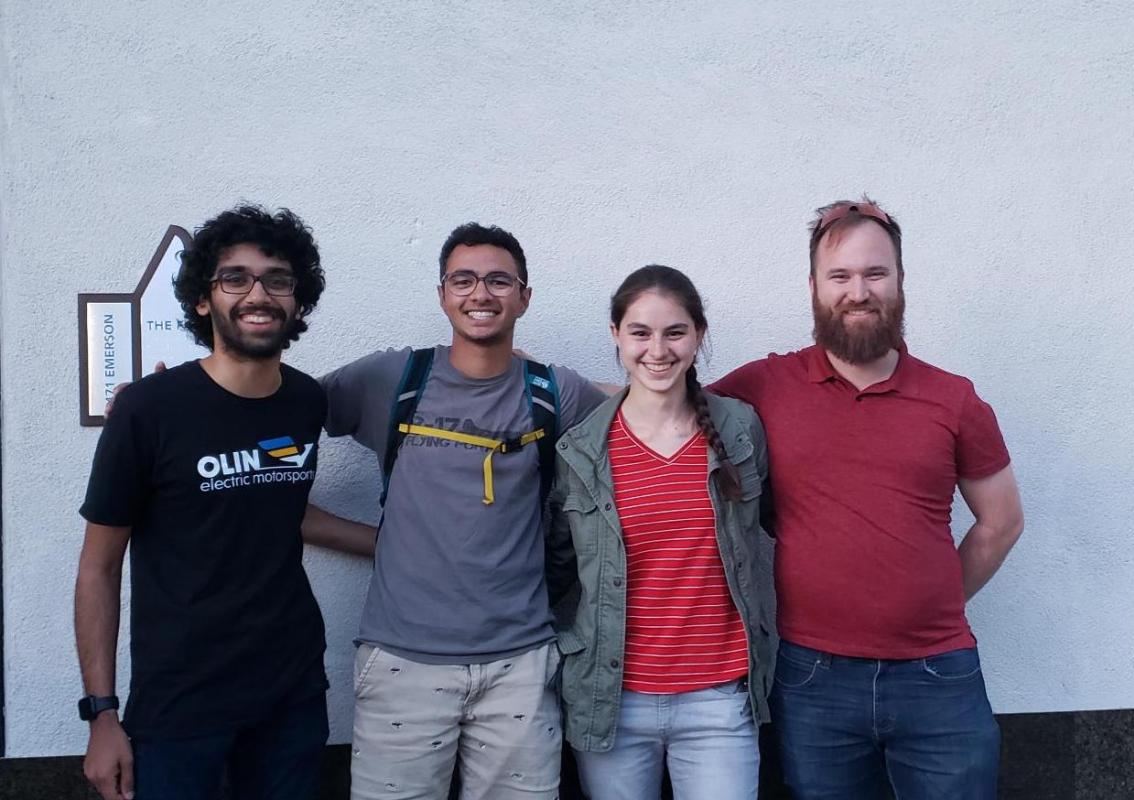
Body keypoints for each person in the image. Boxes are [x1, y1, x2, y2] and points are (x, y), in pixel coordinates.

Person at [710, 198, 1025, 799]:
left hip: (938, 677)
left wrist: (928, 602)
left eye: (876, 273)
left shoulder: (954, 399)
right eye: (841, 276)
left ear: (900, 282)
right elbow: (663, 405)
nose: (860, 291)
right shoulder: (766, 385)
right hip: (813, 680)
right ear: (814, 288)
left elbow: (1002, 522)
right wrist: (537, 380)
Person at [306, 222, 607, 800]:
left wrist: (695, 392)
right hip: (401, 663)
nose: (481, 293)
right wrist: (176, 402)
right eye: (463, 279)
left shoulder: (555, 392)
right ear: (442, 293)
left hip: (520, 665)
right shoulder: (394, 378)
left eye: (500, 280)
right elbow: (273, 408)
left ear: (524, 296)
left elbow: (641, 414)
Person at [75, 205, 333, 800]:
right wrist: (102, 714)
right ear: (201, 299)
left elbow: (279, 507)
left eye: (277, 279)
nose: (258, 294)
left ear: (297, 300)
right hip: (180, 707)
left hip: (291, 696)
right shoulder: (148, 409)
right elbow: (98, 567)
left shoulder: (306, 402)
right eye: (235, 278)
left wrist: (396, 543)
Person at [551, 265, 774, 800]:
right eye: (640, 332)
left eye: (674, 332)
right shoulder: (581, 450)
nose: (658, 349)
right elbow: (558, 567)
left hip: (719, 698)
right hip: (612, 700)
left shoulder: (740, 429)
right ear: (616, 335)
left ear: (698, 334)